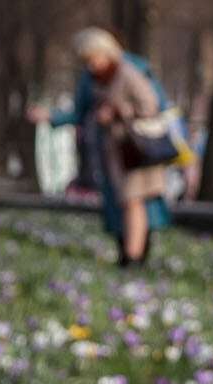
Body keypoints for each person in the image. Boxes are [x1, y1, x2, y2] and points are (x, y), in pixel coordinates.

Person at [63, 29, 172, 267]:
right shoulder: (100, 78)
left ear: (106, 52)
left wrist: (117, 111)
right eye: (87, 61)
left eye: (94, 58)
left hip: (137, 149)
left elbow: (150, 105)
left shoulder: (127, 71)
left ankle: (133, 259)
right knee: (126, 203)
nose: (91, 65)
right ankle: (130, 255)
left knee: (134, 202)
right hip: (118, 151)